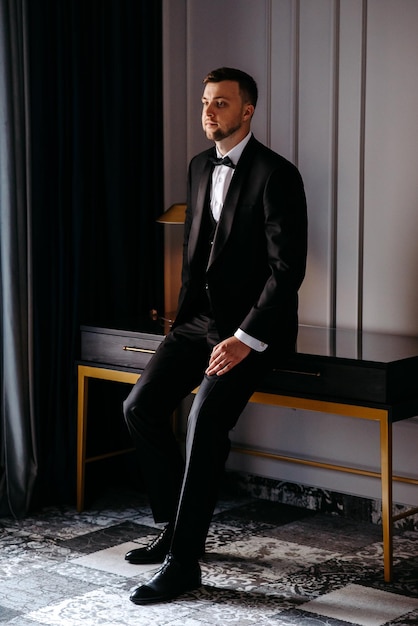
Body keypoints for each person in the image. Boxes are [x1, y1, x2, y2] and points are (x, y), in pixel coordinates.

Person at [123, 67, 308, 605]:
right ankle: (171, 526)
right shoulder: (199, 165)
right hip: (195, 324)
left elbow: (287, 269)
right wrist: (181, 324)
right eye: (206, 102)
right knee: (140, 408)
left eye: (221, 103)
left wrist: (245, 337)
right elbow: (197, 251)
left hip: (251, 330)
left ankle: (185, 565)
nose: (209, 111)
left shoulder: (279, 174)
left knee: (203, 424)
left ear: (247, 111)